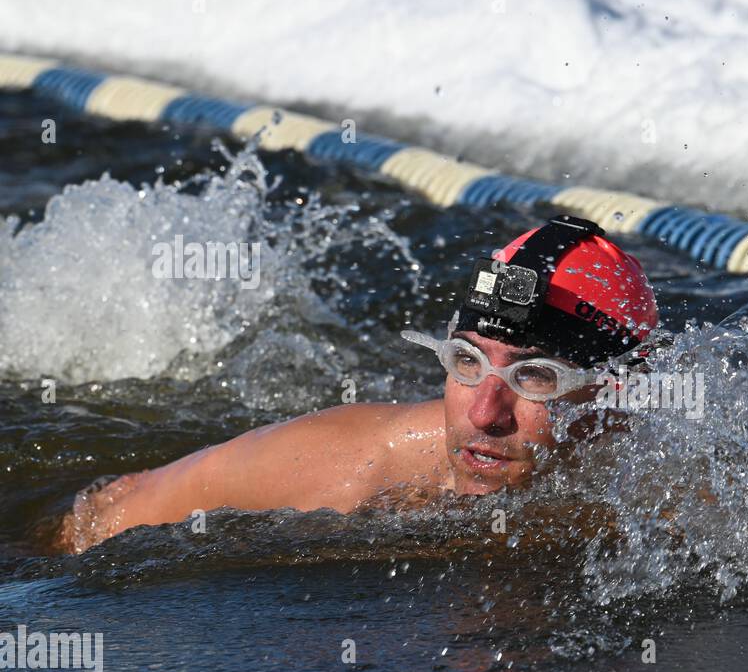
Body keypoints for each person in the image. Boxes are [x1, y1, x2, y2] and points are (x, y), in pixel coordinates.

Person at [54, 215, 659, 554]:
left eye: (534, 377)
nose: (482, 413)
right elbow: (103, 517)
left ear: (616, 393)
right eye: (467, 363)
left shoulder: (676, 503)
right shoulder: (355, 462)